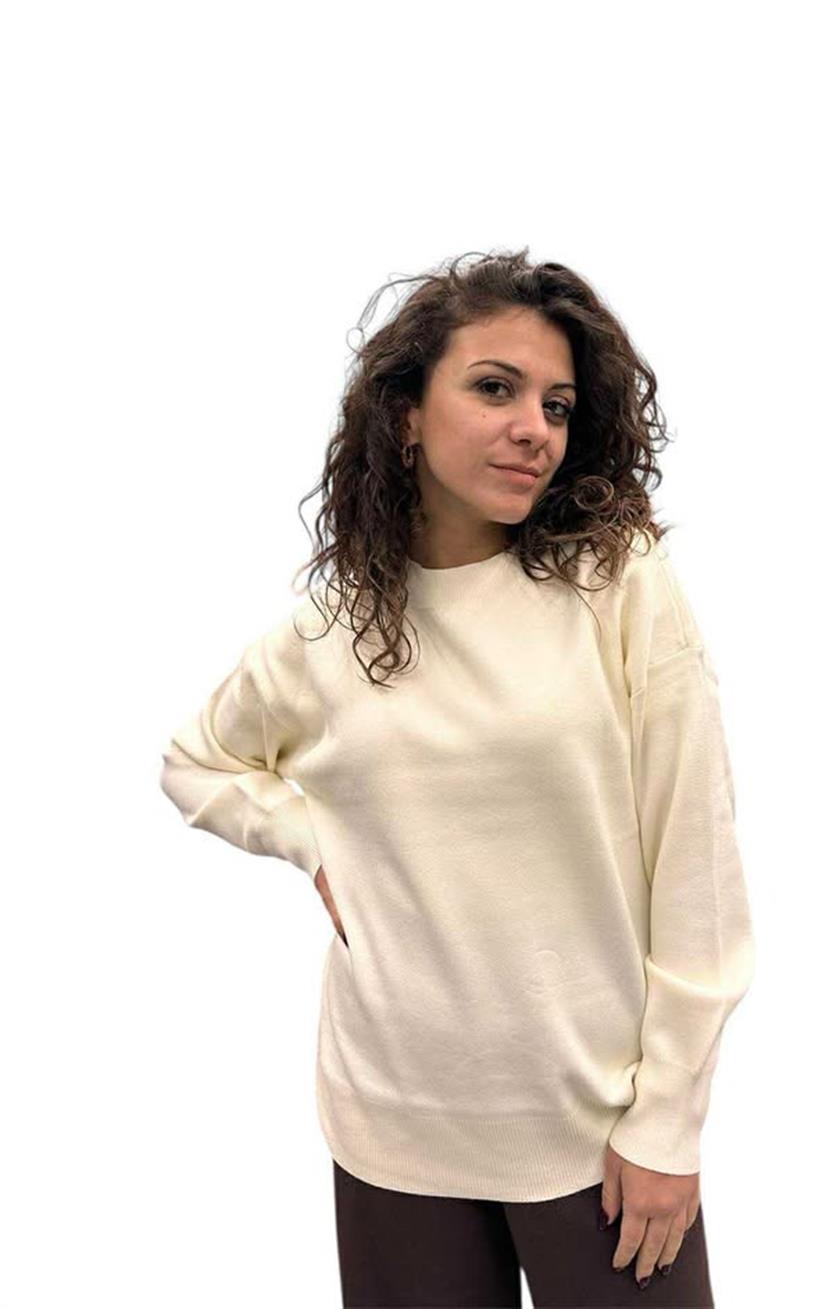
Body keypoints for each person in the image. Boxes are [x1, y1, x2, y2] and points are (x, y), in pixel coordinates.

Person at [159, 247, 755, 1306]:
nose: (535, 427)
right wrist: (310, 839)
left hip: (595, 1130)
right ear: (405, 416)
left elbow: (694, 862)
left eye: (557, 405)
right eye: (495, 388)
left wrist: (668, 1119)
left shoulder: (615, 582)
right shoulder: (333, 628)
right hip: (392, 1123)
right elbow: (196, 761)